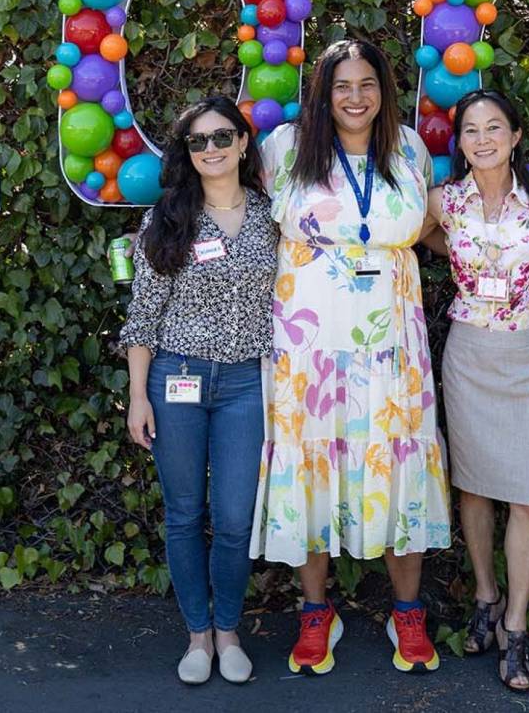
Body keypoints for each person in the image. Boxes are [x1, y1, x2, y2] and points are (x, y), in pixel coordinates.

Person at [251, 38, 451, 676]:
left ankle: (408, 611)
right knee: (310, 460)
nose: (356, 97)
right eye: (343, 85)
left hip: (392, 344)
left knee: (398, 462)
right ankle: (316, 613)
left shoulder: (410, 150)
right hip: (307, 346)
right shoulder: (284, 148)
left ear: (384, 90)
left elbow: (430, 228)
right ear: (323, 91)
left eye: (368, 84)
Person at [121, 96, 279, 686]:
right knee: (185, 513)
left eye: (221, 138)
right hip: (176, 378)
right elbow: (143, 314)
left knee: (235, 518)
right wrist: (138, 396)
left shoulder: (274, 214)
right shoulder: (167, 218)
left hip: (245, 383)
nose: (210, 149)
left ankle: (230, 630)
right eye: (198, 142)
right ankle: (197, 636)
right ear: (186, 154)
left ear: (242, 143)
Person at [420, 89, 529, 692]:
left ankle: (517, 626)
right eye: (470, 130)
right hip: (470, 351)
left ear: (516, 135)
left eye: (494, 126)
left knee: (527, 495)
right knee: (473, 487)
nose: (482, 139)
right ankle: (485, 596)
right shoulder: (443, 200)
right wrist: (460, 256)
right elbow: (410, 238)